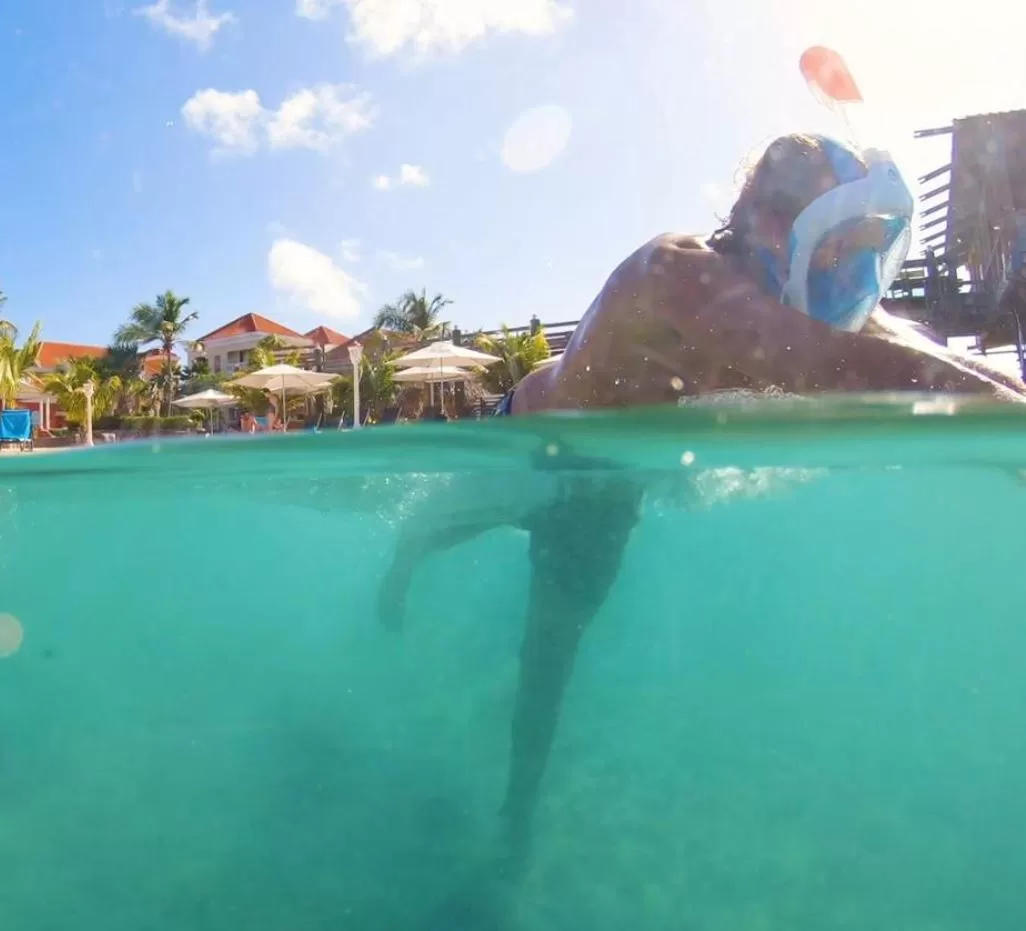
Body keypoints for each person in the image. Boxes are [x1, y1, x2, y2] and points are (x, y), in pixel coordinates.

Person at [377, 133, 1026, 879]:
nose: (856, 277)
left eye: (873, 253)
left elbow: (930, 355)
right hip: (527, 438)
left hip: (602, 490)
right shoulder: (674, 271)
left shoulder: (794, 287)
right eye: (844, 247)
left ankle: (514, 816)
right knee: (429, 530)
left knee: (547, 665)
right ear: (777, 225)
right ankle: (395, 577)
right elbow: (828, 366)